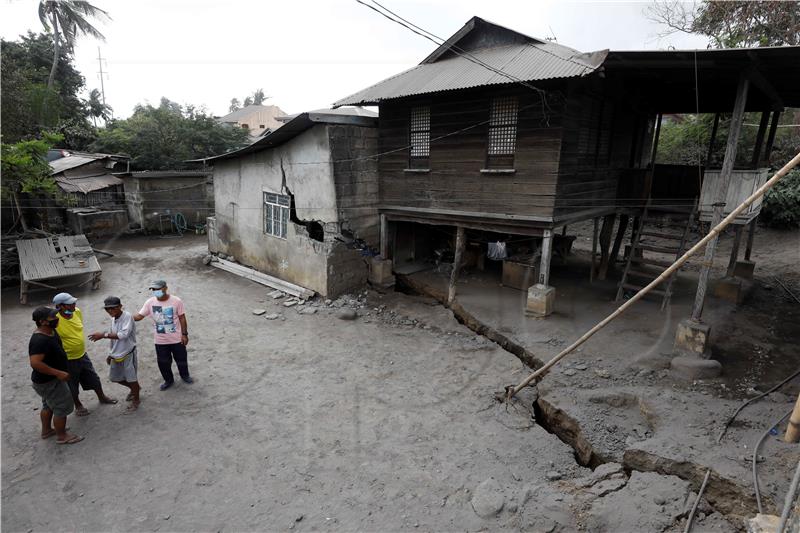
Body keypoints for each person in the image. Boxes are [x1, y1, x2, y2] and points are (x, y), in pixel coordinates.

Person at [52, 292, 116, 415]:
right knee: (72, 384)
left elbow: (77, 329)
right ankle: (78, 405)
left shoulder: (77, 312)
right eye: (70, 304)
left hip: (82, 354)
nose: (74, 305)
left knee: (94, 378)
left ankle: (102, 397)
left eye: (74, 302)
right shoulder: (55, 320)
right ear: (60, 306)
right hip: (68, 359)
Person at [28, 306, 84, 444]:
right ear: (43, 321)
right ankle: (62, 435)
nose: (57, 319)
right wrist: (58, 373)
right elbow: (35, 363)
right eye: (53, 317)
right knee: (61, 407)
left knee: (48, 405)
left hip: (47, 381)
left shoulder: (51, 331)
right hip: (49, 381)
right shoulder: (39, 340)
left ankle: (47, 431)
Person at [133, 280, 192, 390]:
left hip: (177, 339)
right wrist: (125, 317)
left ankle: (185, 375)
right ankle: (168, 380)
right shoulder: (150, 302)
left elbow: (182, 318)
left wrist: (184, 334)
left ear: (165, 288)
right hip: (160, 340)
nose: (155, 291)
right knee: (163, 362)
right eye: (153, 290)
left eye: (158, 289)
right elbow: (139, 316)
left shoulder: (176, 301)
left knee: (181, 359)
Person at [89, 296, 141, 412]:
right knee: (115, 378)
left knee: (132, 379)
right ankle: (135, 389)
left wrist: (103, 335)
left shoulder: (127, 316)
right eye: (107, 309)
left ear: (120, 307)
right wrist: (110, 354)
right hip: (116, 354)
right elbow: (114, 339)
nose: (110, 311)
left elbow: (123, 335)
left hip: (128, 353)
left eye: (113, 308)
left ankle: (136, 399)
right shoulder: (113, 319)